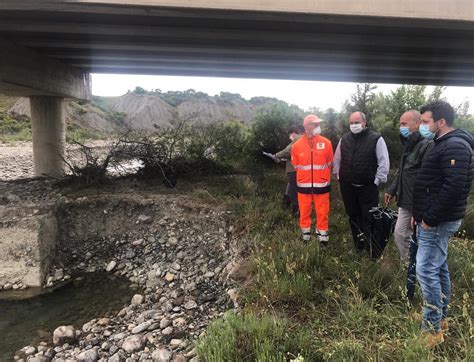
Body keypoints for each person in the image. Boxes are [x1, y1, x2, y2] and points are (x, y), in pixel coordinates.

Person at [412, 101, 473, 347]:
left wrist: (429, 217)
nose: (422, 126)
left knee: (426, 270)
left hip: (438, 221)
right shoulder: (443, 143)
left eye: (425, 121)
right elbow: (435, 184)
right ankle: (440, 317)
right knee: (439, 268)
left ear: (441, 122)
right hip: (435, 218)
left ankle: (432, 329)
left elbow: (453, 187)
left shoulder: (454, 145)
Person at [333, 111, 390, 254]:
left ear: (364, 123)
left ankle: (371, 248)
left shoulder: (376, 138)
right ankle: (358, 246)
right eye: (351, 123)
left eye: (357, 122)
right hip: (348, 187)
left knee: (369, 218)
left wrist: (376, 181)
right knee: (353, 216)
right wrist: (340, 177)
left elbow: (383, 162)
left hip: (368, 187)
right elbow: (337, 160)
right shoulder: (344, 139)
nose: (354, 125)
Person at [384, 110, 431, 261]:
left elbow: (427, 179)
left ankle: (412, 265)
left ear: (417, 123)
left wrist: (419, 209)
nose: (401, 128)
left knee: (407, 234)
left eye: (404, 124)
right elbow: (403, 172)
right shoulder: (409, 144)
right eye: (400, 124)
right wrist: (391, 190)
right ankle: (409, 263)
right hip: (405, 200)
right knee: (400, 233)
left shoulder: (426, 145)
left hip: (416, 202)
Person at [291, 114, 333, 245]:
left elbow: (330, 164)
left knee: (323, 212)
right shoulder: (296, 146)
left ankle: (323, 239)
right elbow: (296, 166)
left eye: (318, 124)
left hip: (322, 186)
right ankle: (306, 237)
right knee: (304, 212)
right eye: (314, 124)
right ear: (306, 127)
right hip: (303, 187)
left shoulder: (326, 143)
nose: (317, 127)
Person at [274, 125, 305, 217]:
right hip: (299, 168)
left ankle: (296, 213)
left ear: (294, 133)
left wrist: (277, 155)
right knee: (291, 188)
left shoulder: (298, 139)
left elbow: (288, 151)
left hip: (294, 169)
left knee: (294, 191)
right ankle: (286, 206)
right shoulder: (304, 140)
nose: (290, 136)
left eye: (290, 134)